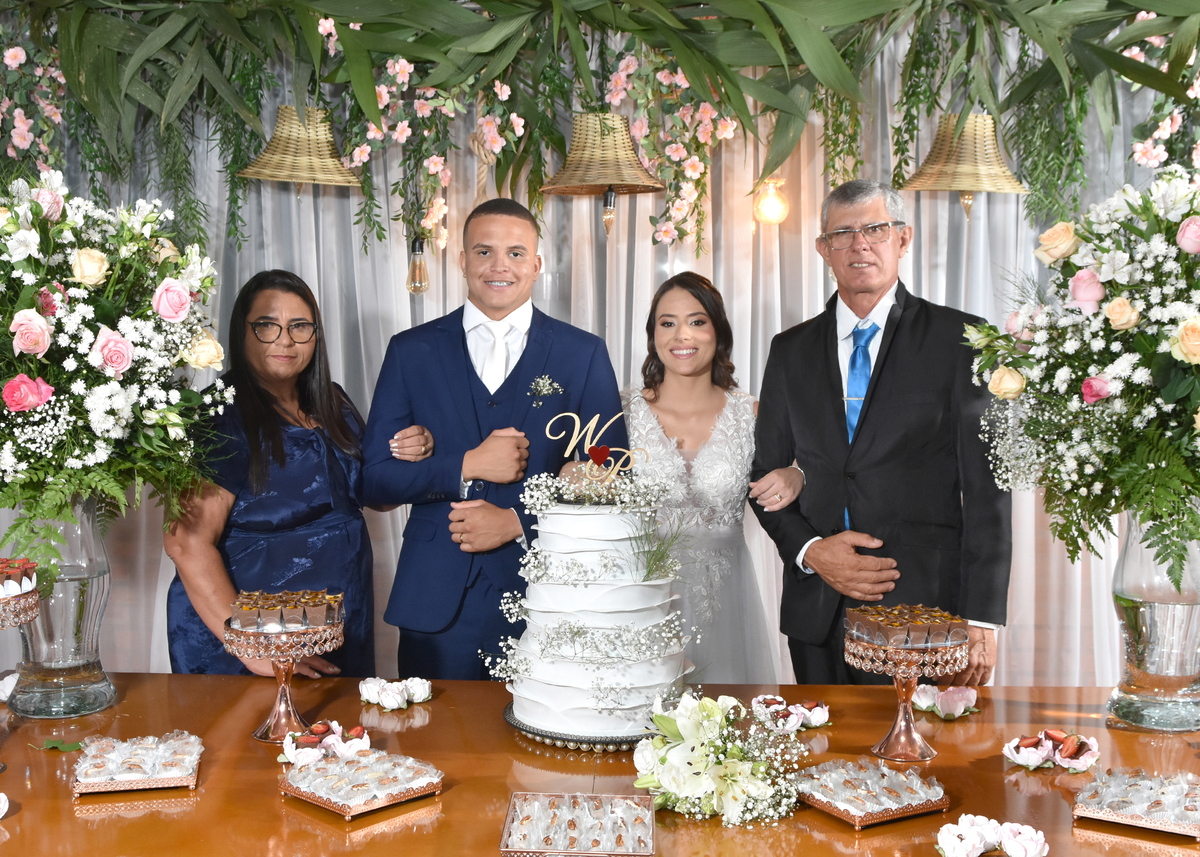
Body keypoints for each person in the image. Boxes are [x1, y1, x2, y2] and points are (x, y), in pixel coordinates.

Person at [750, 179, 1012, 686]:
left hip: (929, 611)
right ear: (824, 249)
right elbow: (765, 476)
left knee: (926, 762)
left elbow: (987, 489)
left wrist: (981, 615)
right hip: (818, 611)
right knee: (824, 759)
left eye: (874, 228)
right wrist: (811, 552)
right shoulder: (790, 350)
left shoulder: (962, 339)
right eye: (843, 233)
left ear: (903, 239)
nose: (860, 243)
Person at [362, 198, 627, 680]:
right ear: (462, 260)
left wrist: (517, 522)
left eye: (516, 253)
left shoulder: (582, 354)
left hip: (547, 595)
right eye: (483, 252)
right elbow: (374, 482)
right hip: (435, 599)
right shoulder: (411, 351)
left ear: (537, 264)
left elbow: (613, 478)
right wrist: (464, 465)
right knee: (432, 747)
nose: (499, 265)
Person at [164, 270, 432, 678]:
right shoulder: (220, 417)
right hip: (252, 643)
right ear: (243, 332)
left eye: (299, 327)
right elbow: (186, 542)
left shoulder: (331, 402)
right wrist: (254, 645)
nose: (285, 340)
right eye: (268, 326)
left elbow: (370, 494)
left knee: (339, 740)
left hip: (338, 625)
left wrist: (410, 452)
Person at [624, 272, 803, 683]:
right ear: (652, 336)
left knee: (723, 731)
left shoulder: (753, 414)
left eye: (697, 321)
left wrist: (797, 473)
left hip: (725, 603)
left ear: (718, 332)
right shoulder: (621, 413)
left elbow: (814, 465)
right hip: (640, 601)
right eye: (666, 323)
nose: (681, 335)